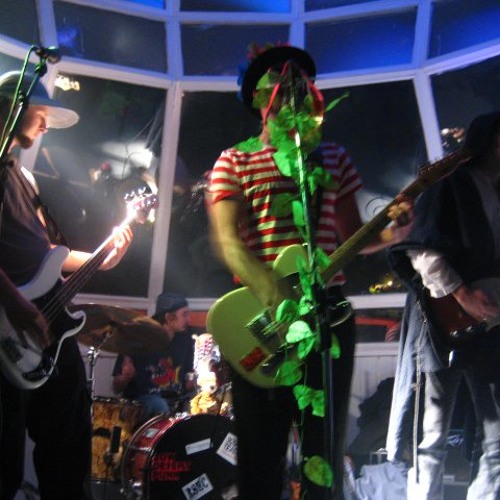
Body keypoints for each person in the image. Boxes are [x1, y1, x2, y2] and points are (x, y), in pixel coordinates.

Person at [206, 44, 413, 500]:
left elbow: (350, 238)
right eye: (280, 84)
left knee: (325, 451)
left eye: (301, 83)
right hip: (264, 319)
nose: (293, 91)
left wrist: (392, 234)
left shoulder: (332, 157)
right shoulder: (234, 160)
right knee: (260, 453)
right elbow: (227, 242)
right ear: (259, 98)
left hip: (328, 316)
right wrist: (274, 294)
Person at [0, 70, 133, 500]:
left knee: (68, 444)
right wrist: (15, 304)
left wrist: (102, 256)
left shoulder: (26, 179)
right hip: (10, 322)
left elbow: (49, 253)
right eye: (39, 114)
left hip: (46, 328)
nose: (44, 126)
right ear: (12, 107)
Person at [386, 111, 500, 500]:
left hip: (491, 329)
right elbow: (421, 250)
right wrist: (463, 294)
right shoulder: (450, 185)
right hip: (443, 321)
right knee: (431, 436)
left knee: (497, 441)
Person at [112, 292, 196, 421]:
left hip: (175, 402)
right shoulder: (138, 338)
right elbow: (116, 388)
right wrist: (125, 377)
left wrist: (200, 383)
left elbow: (187, 381)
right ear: (168, 317)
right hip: (142, 404)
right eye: (184, 315)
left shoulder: (185, 339)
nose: (189, 320)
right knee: (159, 405)